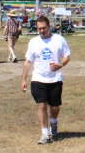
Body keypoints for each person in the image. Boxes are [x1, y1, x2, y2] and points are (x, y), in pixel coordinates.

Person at [21, 15, 71, 145]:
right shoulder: (33, 42)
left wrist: (60, 65)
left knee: (54, 107)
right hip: (38, 78)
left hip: (55, 79)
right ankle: (45, 134)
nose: (42, 31)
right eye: (39, 29)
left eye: (44, 28)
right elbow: (28, 61)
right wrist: (23, 80)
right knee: (41, 105)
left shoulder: (59, 40)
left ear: (49, 27)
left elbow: (67, 56)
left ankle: (53, 122)